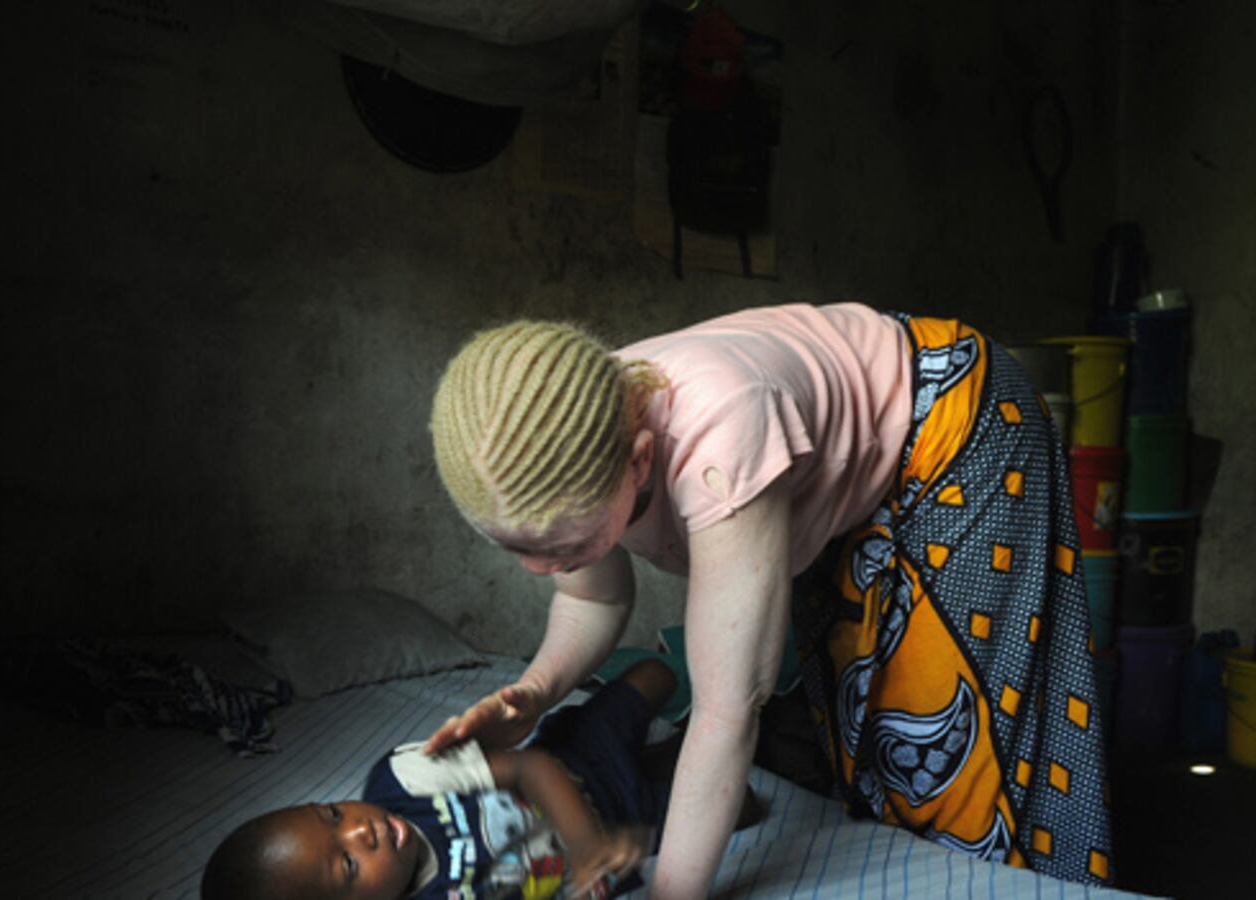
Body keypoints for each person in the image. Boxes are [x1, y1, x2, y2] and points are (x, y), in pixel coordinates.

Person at [424, 303, 1114, 896]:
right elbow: (595, 601)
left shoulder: (716, 440)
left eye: (561, 545)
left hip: (954, 419)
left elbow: (727, 713)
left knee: (954, 729)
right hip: (855, 469)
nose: (543, 568)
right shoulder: (566, 432)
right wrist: (533, 694)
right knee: (860, 725)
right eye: (516, 549)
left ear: (638, 460)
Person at [201, 659, 752, 900]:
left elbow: (530, 767)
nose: (360, 830)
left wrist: (586, 847)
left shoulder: (398, 781)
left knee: (657, 676)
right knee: (743, 804)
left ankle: (665, 753)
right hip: (621, 829)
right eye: (346, 866)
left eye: (333, 814)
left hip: (574, 760)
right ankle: (670, 763)